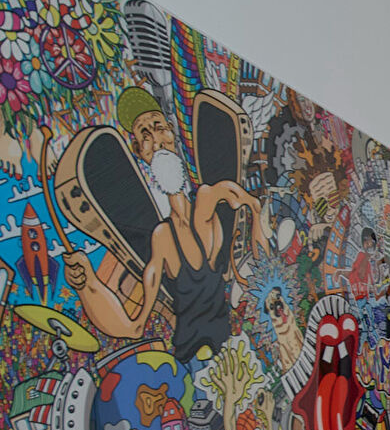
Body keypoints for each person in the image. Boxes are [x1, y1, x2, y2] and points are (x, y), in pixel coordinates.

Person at [61, 87, 271, 362]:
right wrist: (86, 284)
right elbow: (133, 327)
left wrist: (260, 265)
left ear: (172, 133)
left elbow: (253, 205)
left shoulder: (208, 198)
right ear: (139, 151)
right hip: (191, 361)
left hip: (230, 350)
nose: (156, 140)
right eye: (145, 135)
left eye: (159, 127)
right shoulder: (161, 237)